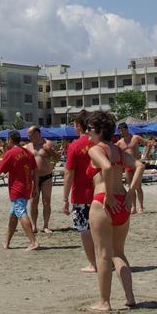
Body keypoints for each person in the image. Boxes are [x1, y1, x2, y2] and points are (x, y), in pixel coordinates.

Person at [86, 111, 141, 311]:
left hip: (104, 202)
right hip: (122, 202)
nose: (86, 132)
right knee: (119, 253)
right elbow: (139, 165)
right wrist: (130, 193)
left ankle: (104, 301)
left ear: (99, 131)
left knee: (102, 255)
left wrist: (108, 195)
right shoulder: (118, 149)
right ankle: (130, 296)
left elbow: (106, 167)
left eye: (89, 129)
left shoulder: (95, 149)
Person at [0, 130, 38, 250]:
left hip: (17, 188)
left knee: (20, 211)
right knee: (13, 215)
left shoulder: (11, 153)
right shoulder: (28, 153)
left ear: (10, 140)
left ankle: (33, 242)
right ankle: (6, 242)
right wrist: (36, 187)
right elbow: (35, 171)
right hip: (27, 186)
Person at [62, 112, 97, 272]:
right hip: (100, 192)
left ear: (78, 125)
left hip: (82, 194)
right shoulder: (98, 142)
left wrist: (64, 198)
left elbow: (69, 173)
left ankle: (93, 263)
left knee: (85, 230)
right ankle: (107, 261)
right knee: (102, 230)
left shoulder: (75, 145)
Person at [26, 126, 57, 233]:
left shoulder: (48, 144)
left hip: (46, 176)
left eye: (30, 135)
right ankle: (34, 225)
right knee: (33, 201)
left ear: (37, 134)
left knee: (46, 201)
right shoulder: (28, 146)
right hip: (33, 178)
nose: (28, 137)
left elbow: (57, 158)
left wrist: (50, 151)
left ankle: (46, 225)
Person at [117, 121, 148, 213]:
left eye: (122, 130)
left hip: (137, 165)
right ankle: (133, 206)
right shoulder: (119, 142)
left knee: (138, 186)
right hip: (127, 166)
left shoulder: (135, 137)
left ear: (126, 129)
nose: (121, 132)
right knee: (131, 187)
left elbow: (148, 144)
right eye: (120, 131)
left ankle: (141, 207)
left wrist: (144, 156)